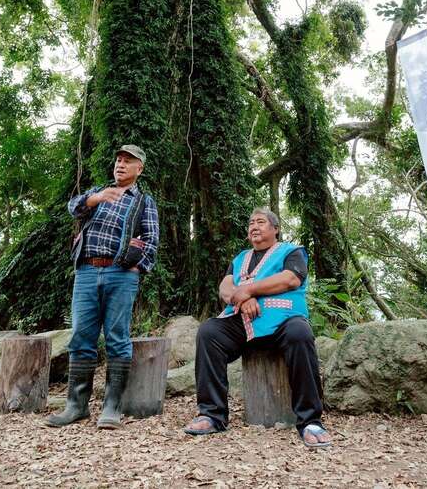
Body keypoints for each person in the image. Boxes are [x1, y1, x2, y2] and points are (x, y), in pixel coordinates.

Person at [183, 207, 331, 448]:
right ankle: (212, 414)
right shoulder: (240, 258)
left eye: (260, 222)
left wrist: (249, 290)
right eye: (251, 223)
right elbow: (225, 288)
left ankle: (310, 421)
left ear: (276, 229)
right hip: (244, 323)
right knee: (209, 332)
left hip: (284, 321)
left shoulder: (291, 252)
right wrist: (243, 299)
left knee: (300, 333)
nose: (254, 226)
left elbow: (290, 279)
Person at [46, 144, 159, 430]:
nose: (120, 164)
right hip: (86, 270)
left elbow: (152, 240)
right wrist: (96, 197)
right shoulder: (98, 191)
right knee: (81, 336)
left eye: (128, 161)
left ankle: (112, 407)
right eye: (118, 160)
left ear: (139, 168)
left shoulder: (144, 201)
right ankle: (76, 406)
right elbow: (73, 208)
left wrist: (137, 267)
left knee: (117, 337)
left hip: (121, 274)